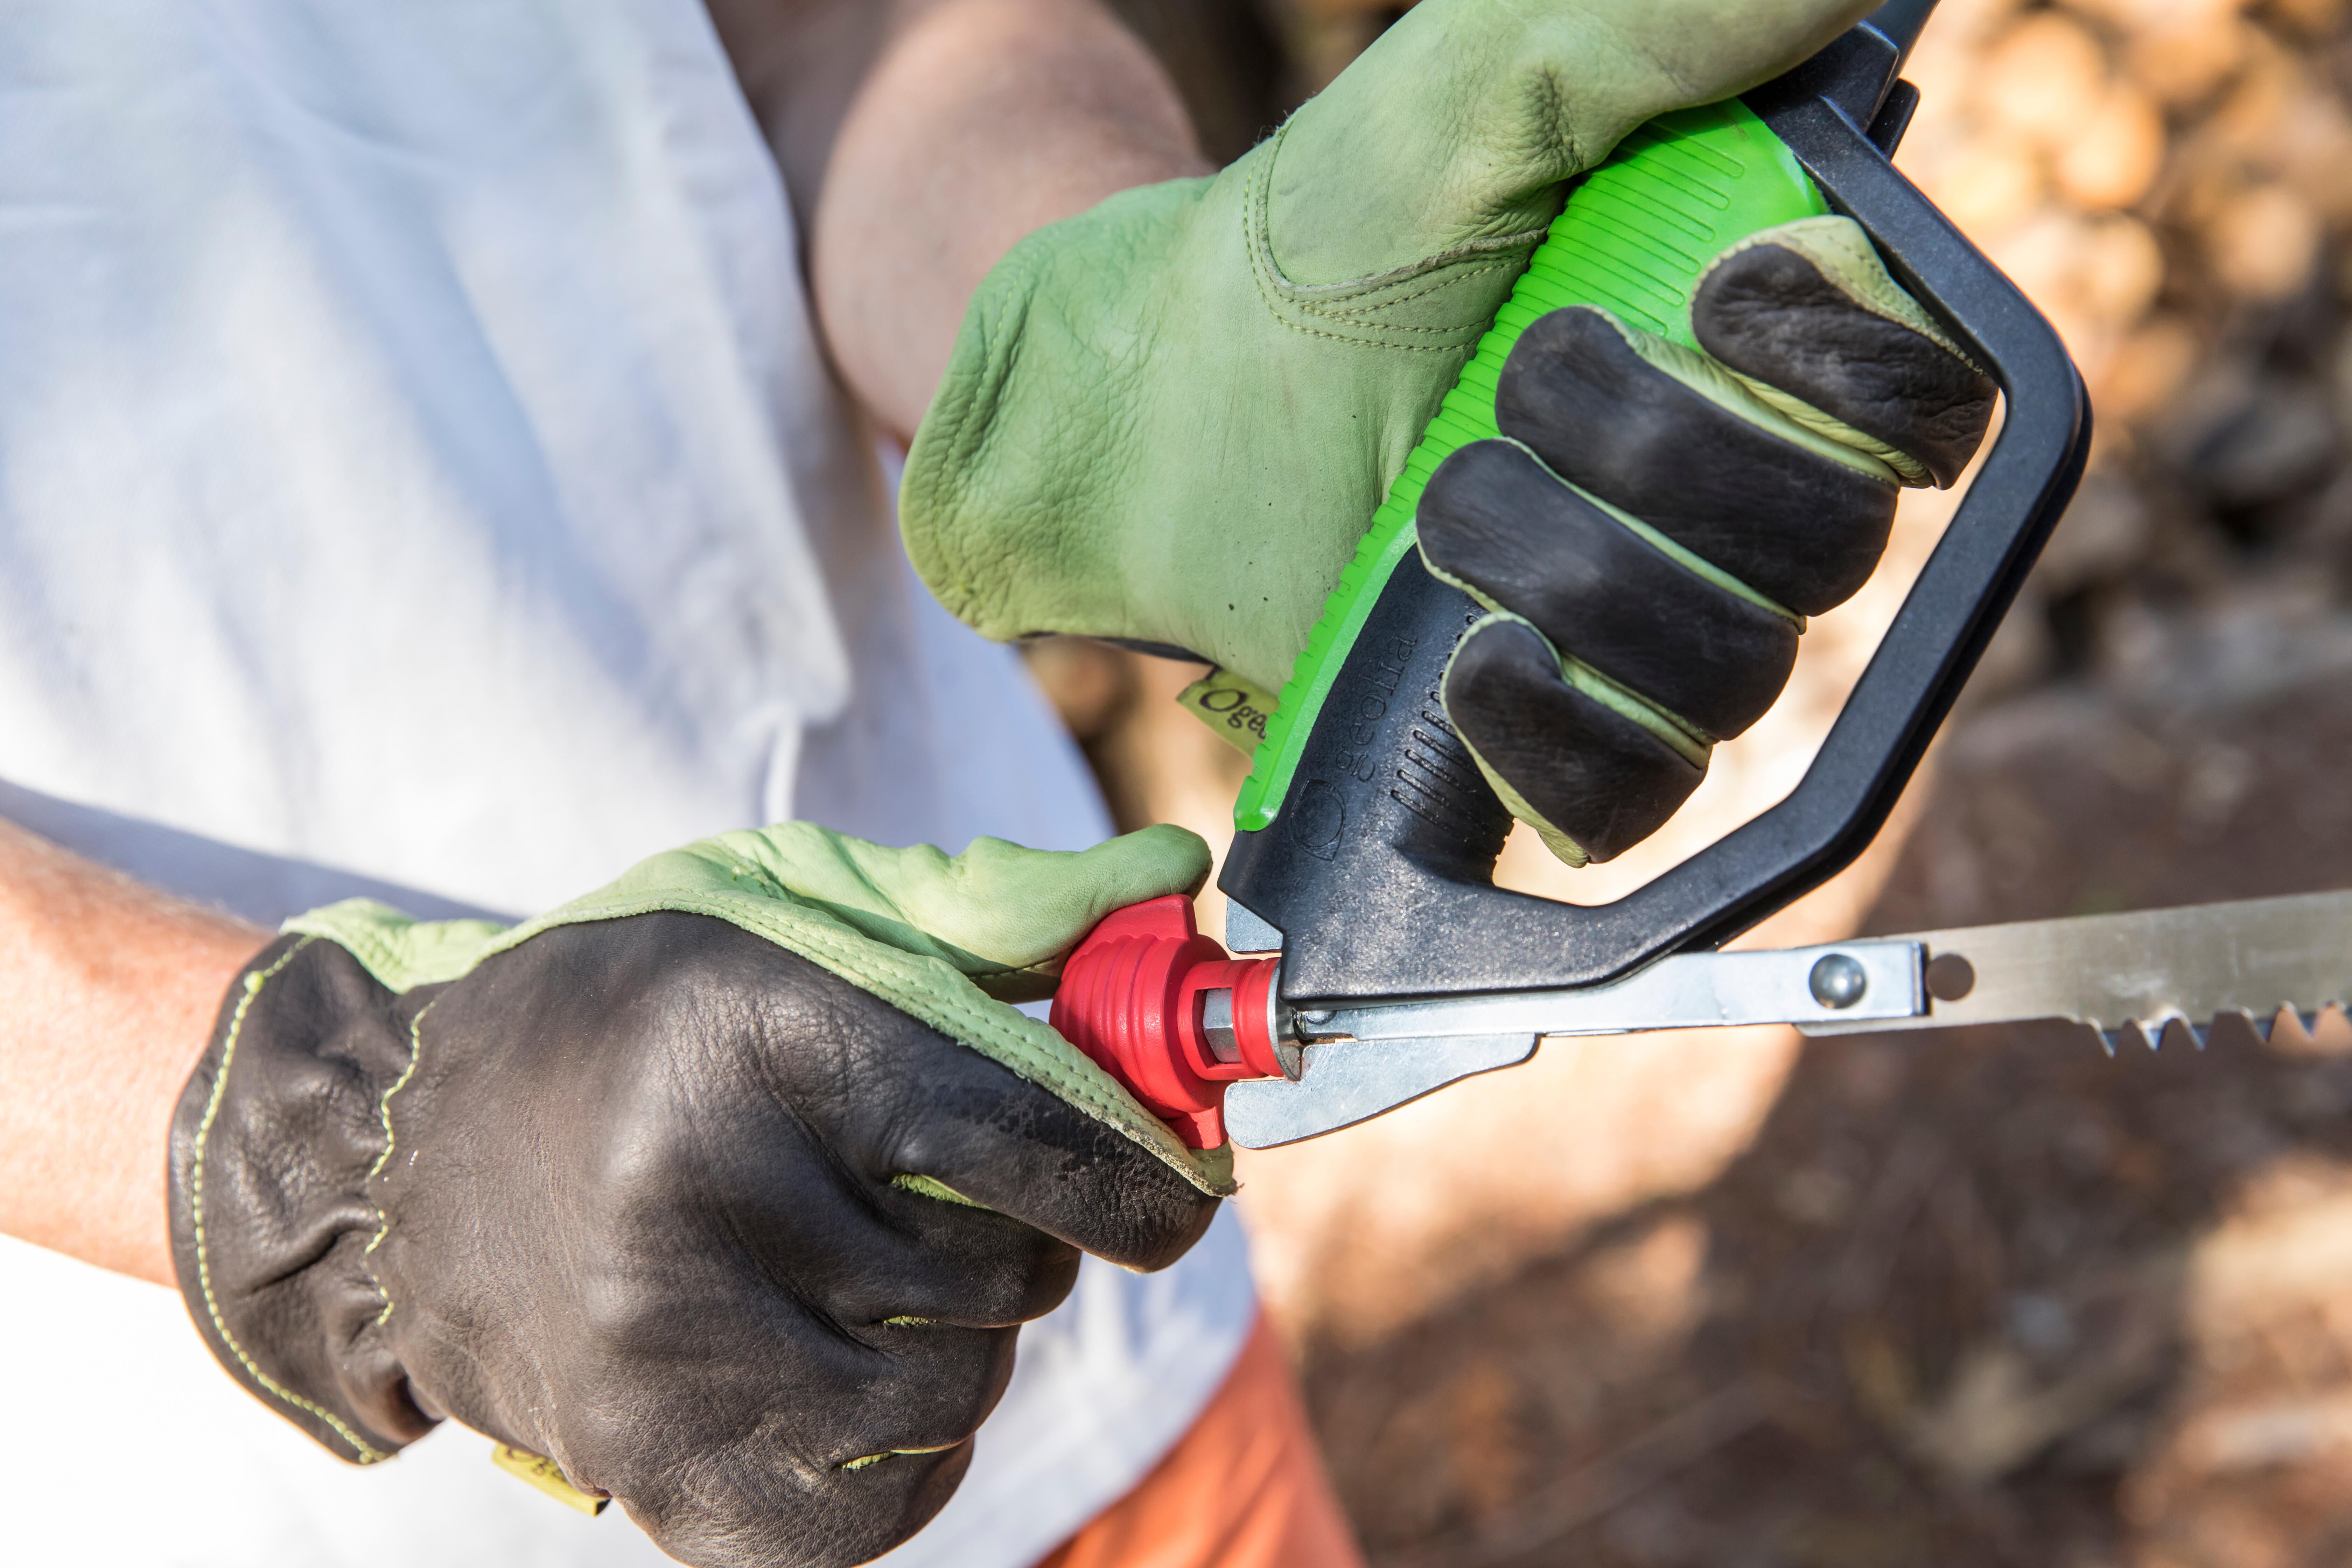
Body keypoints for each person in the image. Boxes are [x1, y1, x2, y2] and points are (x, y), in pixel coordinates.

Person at [0, 1, 1988, 1564]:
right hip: (206, 1477)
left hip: (1041, 1274)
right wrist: (328, 1152)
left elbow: (828, 32)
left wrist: (1088, 339)